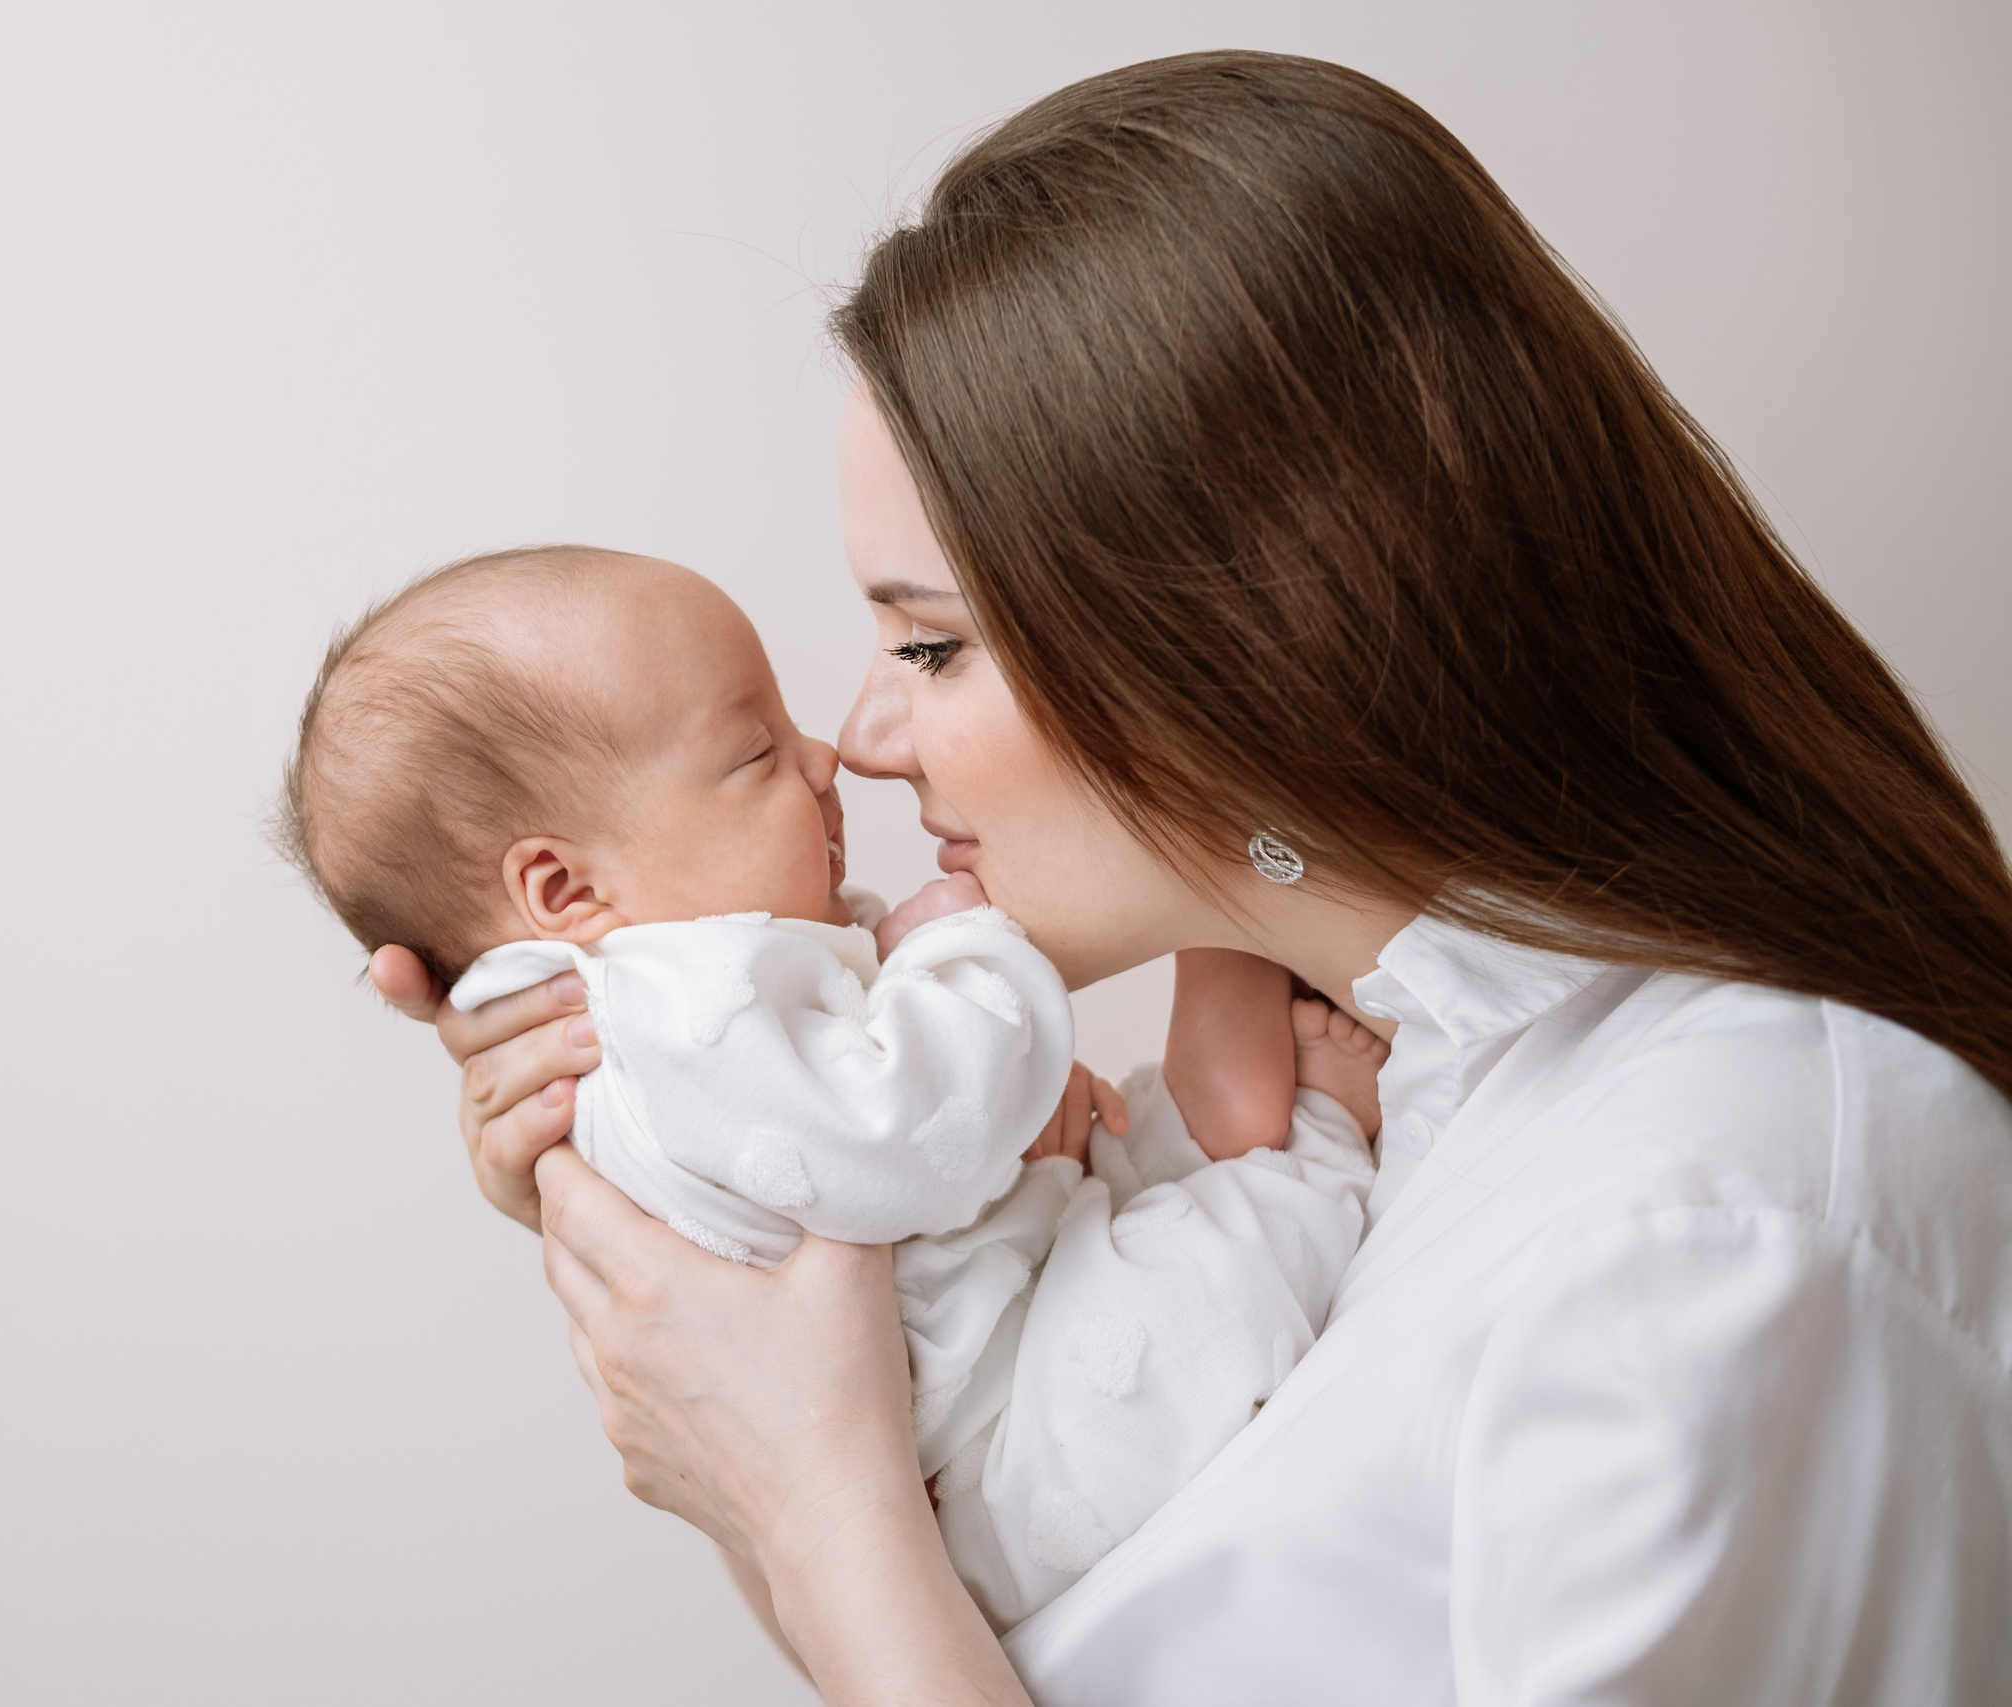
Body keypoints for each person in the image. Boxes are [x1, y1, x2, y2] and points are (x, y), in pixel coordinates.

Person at [371, 51, 2012, 1704]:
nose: (860, 742)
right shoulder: (1382, 1094)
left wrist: (811, 1500)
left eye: (930, 644)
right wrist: (675, 1205)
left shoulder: (1709, 1232)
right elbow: (991, 1613)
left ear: (1241, 640)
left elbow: (895, 1597)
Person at [279, 541, 1388, 1627]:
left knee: (1151, 1161)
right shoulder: (662, 1019)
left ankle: (1236, 1103)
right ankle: (1316, 1143)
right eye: (755, 754)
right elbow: (902, 1129)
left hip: (993, 1319)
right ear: (564, 886)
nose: (829, 757)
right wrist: (975, 943)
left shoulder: (661, 987)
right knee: (1209, 1291)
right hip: (1012, 1447)